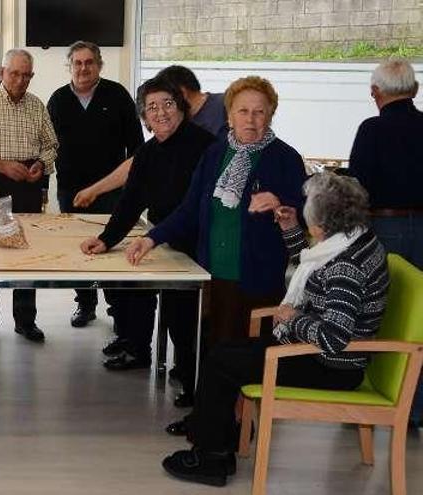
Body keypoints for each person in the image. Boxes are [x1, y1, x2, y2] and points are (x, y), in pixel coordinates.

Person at [160, 172, 388, 487]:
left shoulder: (345, 267)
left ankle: (211, 459)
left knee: (221, 361)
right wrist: (291, 228)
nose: (306, 213)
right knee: (225, 353)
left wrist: (293, 318)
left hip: (330, 366)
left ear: (323, 222)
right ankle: (219, 444)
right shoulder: (352, 240)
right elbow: (310, 267)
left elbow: (334, 338)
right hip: (319, 354)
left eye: (309, 210)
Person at [126, 75, 307, 350]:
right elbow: (189, 209)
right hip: (211, 273)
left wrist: (280, 201)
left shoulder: (286, 158)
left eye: (260, 112)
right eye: (243, 111)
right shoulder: (214, 153)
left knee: (248, 356)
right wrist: (151, 238)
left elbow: (305, 214)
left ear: (270, 115)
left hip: (257, 279)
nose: (251, 119)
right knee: (210, 350)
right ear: (230, 115)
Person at [80, 76, 215, 404]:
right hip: (164, 239)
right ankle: (143, 351)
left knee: (185, 317)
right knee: (147, 294)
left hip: (197, 244)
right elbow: (131, 199)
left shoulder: (205, 145)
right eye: (151, 107)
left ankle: (191, 382)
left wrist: (156, 237)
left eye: (167, 104)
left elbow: (195, 206)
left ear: (181, 106)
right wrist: (107, 238)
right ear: (143, 116)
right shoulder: (149, 151)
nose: (161, 113)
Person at [346, 59, 423, 424]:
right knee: (416, 317)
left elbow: (358, 187)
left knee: (372, 312)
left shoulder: (372, 130)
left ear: (375, 92)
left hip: (384, 227)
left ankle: (360, 403)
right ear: (416, 91)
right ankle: (415, 407)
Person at [0, 48, 58, 343]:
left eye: (26, 74)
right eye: (14, 73)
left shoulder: (37, 105)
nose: (20, 80)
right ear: (2, 72)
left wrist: (41, 163)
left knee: (27, 251)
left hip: (28, 184)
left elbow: (51, 144)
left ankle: (25, 319)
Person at [47, 40, 144, 328]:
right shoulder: (58, 99)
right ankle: (85, 304)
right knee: (79, 248)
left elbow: (136, 147)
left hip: (112, 190)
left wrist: (132, 188)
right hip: (71, 192)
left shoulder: (117, 95)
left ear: (99, 65)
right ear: (70, 66)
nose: (83, 68)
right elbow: (49, 146)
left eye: (89, 62)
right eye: (77, 62)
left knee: (111, 247)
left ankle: (117, 309)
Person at [72, 65, 228, 211]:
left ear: (181, 92)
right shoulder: (175, 125)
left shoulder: (225, 105)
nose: (161, 111)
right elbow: (139, 161)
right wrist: (95, 190)